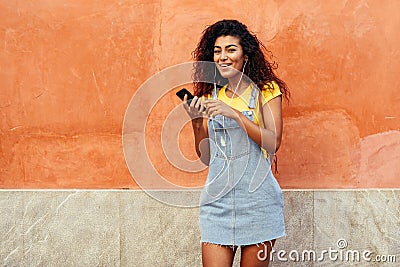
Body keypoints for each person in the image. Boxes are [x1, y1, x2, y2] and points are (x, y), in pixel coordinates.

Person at [182, 19, 290, 267]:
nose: (223, 57)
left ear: (245, 56)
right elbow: (208, 159)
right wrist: (197, 123)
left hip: (258, 202)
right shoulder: (210, 95)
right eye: (217, 51)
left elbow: (274, 142)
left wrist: (235, 114)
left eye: (231, 49)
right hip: (217, 204)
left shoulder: (266, 91)